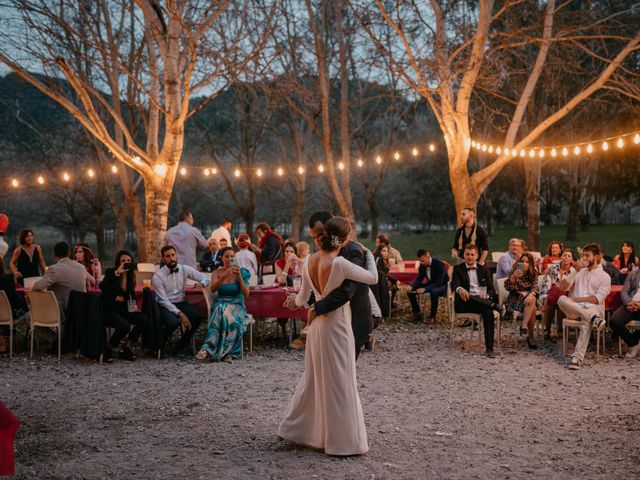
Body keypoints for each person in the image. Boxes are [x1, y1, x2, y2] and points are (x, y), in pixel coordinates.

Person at [278, 216, 378, 456]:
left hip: (317, 329)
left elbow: (302, 299)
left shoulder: (309, 260)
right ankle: (344, 443)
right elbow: (373, 278)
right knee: (342, 381)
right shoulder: (341, 264)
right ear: (343, 241)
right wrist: (369, 256)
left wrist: (294, 302)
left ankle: (298, 430)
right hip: (337, 327)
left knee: (315, 378)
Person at [557, 243, 611, 370]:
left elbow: (596, 299)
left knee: (587, 317)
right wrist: (575, 270)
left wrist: (575, 299)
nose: (584, 258)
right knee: (561, 299)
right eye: (583, 255)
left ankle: (577, 358)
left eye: (587, 255)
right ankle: (593, 318)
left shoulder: (605, 277)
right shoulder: (578, 272)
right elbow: (562, 287)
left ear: (596, 256)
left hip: (594, 307)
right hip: (576, 310)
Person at [196, 247, 251, 362]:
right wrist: (224, 276)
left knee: (224, 311)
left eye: (232, 256)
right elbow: (212, 289)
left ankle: (210, 348)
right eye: (227, 256)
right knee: (221, 309)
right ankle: (220, 351)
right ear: (221, 258)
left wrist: (239, 276)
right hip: (221, 303)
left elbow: (246, 294)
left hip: (237, 305)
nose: (230, 259)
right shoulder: (217, 273)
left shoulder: (243, 272)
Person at [152, 245, 210, 355]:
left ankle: (181, 346)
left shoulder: (184, 269)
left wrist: (201, 283)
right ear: (163, 259)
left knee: (197, 316)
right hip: (166, 305)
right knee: (172, 323)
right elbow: (163, 300)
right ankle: (158, 344)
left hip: (181, 302)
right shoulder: (158, 277)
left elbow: (205, 278)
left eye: (173, 255)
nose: (171, 258)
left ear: (176, 255)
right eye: (168, 256)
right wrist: (180, 314)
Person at [450, 244, 503, 357]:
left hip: (482, 302)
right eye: (467, 254)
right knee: (472, 297)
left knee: (488, 312)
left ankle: (489, 349)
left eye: (472, 254)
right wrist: (460, 289)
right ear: (463, 255)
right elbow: (454, 284)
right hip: (465, 302)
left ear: (477, 256)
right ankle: (495, 305)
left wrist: (487, 296)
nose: (469, 257)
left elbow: (491, 290)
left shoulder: (484, 269)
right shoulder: (457, 269)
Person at [99, 250, 149, 362]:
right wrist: (117, 273)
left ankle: (127, 347)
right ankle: (109, 349)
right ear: (118, 262)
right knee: (125, 326)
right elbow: (102, 286)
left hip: (124, 308)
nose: (126, 262)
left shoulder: (132, 275)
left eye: (129, 261)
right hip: (109, 308)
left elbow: (130, 295)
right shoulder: (112, 272)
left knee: (143, 319)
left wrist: (134, 305)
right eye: (123, 261)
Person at [32, 242, 87, 319]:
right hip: (82, 309)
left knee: (34, 316)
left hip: (63, 312)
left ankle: (21, 319)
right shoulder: (81, 267)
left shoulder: (54, 269)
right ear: (69, 253)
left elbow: (37, 286)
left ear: (54, 254)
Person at [538, 248, 576, 339]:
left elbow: (572, 287)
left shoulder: (573, 272)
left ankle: (560, 329)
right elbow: (547, 284)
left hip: (565, 296)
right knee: (549, 300)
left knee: (561, 300)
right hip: (550, 294)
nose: (566, 257)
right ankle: (547, 329)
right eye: (564, 255)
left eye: (569, 256)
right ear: (561, 257)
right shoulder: (553, 268)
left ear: (572, 260)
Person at [504, 252, 539, 349]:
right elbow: (507, 287)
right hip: (514, 300)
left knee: (532, 299)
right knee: (534, 308)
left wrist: (531, 294)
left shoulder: (533, 273)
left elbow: (535, 287)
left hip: (528, 300)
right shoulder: (514, 272)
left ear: (530, 263)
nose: (524, 264)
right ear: (519, 262)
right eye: (522, 261)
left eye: (527, 262)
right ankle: (530, 336)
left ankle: (524, 327)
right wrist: (513, 277)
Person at [407, 249, 448, 322]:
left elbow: (439, 282)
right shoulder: (422, 265)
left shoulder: (439, 264)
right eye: (420, 261)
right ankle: (417, 313)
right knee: (410, 291)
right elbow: (419, 279)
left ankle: (433, 317)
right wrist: (412, 286)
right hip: (431, 283)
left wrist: (424, 289)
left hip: (443, 285)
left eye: (423, 261)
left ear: (428, 257)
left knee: (434, 292)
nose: (421, 263)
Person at [609, 266, 640, 358]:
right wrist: (629, 302)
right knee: (614, 321)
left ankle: (635, 337)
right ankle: (633, 343)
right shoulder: (634, 273)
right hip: (630, 304)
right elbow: (624, 292)